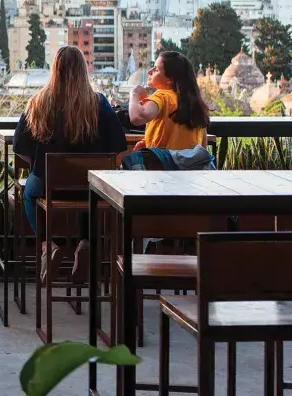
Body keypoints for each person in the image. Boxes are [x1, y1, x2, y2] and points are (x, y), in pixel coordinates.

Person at [14, 45, 127, 284]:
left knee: (27, 194)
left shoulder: (38, 102)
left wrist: (38, 163)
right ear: (83, 70)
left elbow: (21, 150)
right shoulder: (99, 102)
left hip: (48, 183)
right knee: (88, 198)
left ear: (54, 70)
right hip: (90, 185)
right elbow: (118, 148)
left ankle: (48, 245)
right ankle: (84, 244)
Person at [129, 50, 209, 151]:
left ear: (169, 79)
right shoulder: (196, 104)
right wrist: (147, 142)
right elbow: (202, 147)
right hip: (190, 165)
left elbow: (137, 117)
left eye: (156, 69)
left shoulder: (162, 97)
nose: (150, 71)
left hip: (165, 166)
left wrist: (134, 94)